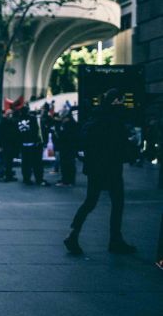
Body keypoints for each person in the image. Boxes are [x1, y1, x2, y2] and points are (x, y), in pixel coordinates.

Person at [64, 89, 136, 255]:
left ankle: (73, 233)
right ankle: (115, 239)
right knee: (117, 203)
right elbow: (117, 144)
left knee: (90, 201)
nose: (122, 103)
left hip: (96, 168)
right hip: (111, 167)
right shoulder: (113, 120)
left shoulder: (96, 118)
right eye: (120, 100)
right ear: (115, 101)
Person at [17, 106, 49, 186]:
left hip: (24, 145)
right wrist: (38, 141)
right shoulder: (33, 119)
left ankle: (26, 178)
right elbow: (36, 130)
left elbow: (17, 133)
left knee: (25, 163)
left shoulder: (18, 120)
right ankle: (38, 178)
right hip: (33, 145)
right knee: (37, 163)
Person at [55, 107, 79, 187]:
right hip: (67, 146)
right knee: (67, 163)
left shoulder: (69, 124)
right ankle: (67, 179)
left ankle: (67, 180)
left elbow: (66, 136)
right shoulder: (70, 123)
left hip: (67, 147)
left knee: (67, 163)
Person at [0, 109, 20, 182]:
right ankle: (3, 175)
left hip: (8, 145)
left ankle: (6, 175)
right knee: (5, 161)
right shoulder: (5, 123)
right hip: (6, 145)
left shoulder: (9, 123)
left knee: (8, 161)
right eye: (9, 114)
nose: (10, 115)